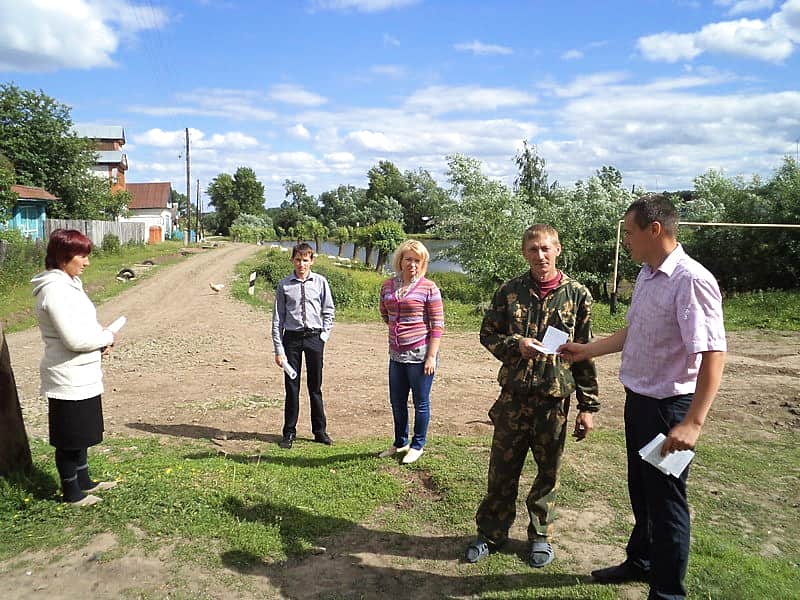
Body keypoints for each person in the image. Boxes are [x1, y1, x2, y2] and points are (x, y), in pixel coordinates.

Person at [559, 194, 726, 600]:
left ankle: (667, 593)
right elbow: (634, 331)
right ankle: (642, 561)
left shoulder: (691, 280)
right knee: (642, 491)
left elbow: (713, 354)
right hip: (640, 403)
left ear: (654, 230)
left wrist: (693, 423)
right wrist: (587, 349)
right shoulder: (648, 276)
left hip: (670, 410)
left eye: (630, 233)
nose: (626, 241)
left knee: (667, 502)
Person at [465, 224, 599, 568]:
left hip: (553, 401)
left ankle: (540, 535)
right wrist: (516, 345)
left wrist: (587, 406)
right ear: (524, 253)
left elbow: (584, 352)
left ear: (558, 249)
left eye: (545, 248)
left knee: (547, 473)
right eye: (533, 250)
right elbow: (487, 333)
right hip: (514, 398)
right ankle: (491, 534)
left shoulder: (578, 295)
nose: (540, 255)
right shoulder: (509, 291)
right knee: (501, 471)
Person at [31, 229, 119, 506]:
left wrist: (100, 338)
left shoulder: (70, 284)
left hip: (83, 373)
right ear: (63, 256)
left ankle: (84, 481)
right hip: (67, 376)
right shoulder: (54, 291)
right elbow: (74, 340)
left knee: (81, 434)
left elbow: (84, 325)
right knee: (69, 437)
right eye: (82, 256)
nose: (87, 262)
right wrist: (105, 337)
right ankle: (71, 493)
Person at [378, 240, 444, 465]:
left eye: (417, 260)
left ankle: (417, 445)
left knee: (420, 402)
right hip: (396, 355)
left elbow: (437, 325)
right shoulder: (388, 285)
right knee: (397, 401)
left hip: (420, 355)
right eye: (409, 259)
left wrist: (431, 356)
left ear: (423, 263)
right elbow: (385, 313)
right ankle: (400, 442)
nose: (412, 264)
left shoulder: (429, 288)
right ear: (400, 260)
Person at [272, 243, 335, 449]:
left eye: (305, 260)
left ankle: (320, 431)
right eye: (298, 260)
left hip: (314, 338)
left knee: (315, 387)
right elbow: (278, 319)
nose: (301, 264)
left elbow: (329, 310)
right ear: (292, 260)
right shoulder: (284, 285)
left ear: (312, 261)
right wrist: (279, 350)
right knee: (292, 387)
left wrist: (324, 335)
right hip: (291, 339)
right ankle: (289, 432)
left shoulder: (320, 282)